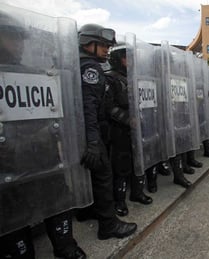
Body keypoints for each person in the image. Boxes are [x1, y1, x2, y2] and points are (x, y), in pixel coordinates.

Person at [0, 10, 86, 259]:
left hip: (45, 158)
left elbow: (57, 116)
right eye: (10, 37)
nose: (18, 44)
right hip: (8, 167)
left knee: (58, 202)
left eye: (20, 38)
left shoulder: (35, 76)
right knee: (13, 218)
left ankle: (66, 246)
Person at [77, 23, 137, 239]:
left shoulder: (80, 65)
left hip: (83, 132)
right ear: (87, 43)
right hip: (91, 132)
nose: (106, 49)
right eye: (101, 45)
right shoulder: (91, 69)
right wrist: (93, 142)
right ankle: (108, 225)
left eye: (107, 45)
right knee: (104, 176)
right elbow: (89, 108)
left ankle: (88, 210)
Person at [104, 45, 153, 217]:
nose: (130, 61)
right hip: (119, 130)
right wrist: (128, 120)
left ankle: (137, 192)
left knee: (138, 160)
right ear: (117, 59)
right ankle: (119, 201)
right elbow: (107, 107)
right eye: (126, 57)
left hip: (138, 129)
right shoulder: (110, 79)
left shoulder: (135, 78)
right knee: (121, 166)